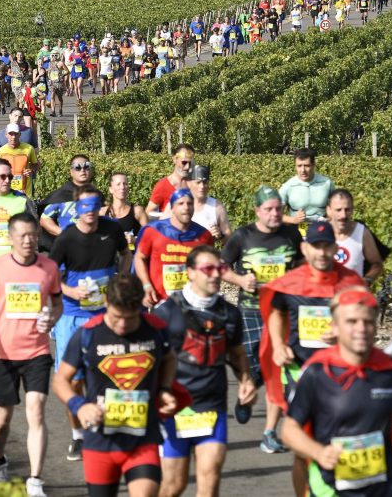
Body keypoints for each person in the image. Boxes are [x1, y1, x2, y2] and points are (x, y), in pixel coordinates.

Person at [260, 220, 368, 496]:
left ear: (335, 248)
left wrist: (344, 334)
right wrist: (277, 344)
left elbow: (364, 319)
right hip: (301, 372)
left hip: (341, 372)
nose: (322, 253)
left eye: (327, 246)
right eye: (316, 247)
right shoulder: (290, 283)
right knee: (303, 445)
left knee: (341, 439)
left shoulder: (350, 282)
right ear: (305, 249)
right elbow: (276, 313)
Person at [52, 273, 180, 497]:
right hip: (100, 441)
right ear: (106, 303)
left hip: (143, 437)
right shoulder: (88, 334)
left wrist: (165, 388)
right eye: (116, 317)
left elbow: (169, 358)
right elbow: (61, 379)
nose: (122, 325)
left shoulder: (157, 329)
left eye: (129, 319)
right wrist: (79, 406)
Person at [281, 288, 392, 497]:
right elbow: (289, 430)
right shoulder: (318, 372)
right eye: (352, 322)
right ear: (335, 328)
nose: (361, 328)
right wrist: (318, 452)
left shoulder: (391, 370)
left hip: (383, 486)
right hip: (331, 487)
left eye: (368, 322)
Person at [0, 213, 62, 495]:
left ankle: (35, 480)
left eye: (33, 235)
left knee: (36, 412)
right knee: (2, 421)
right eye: (22, 236)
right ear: (10, 238)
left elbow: (57, 304)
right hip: (2, 353)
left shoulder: (49, 267)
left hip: (37, 352)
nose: (28, 241)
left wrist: (51, 320)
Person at [155, 245, 258, 497]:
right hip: (174, 409)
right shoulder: (166, 312)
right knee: (174, 485)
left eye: (220, 268)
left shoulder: (230, 313)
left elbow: (235, 353)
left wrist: (246, 379)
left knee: (210, 479)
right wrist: (158, 394)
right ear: (190, 272)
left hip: (212, 406)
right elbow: (149, 361)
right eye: (208, 269)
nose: (215, 275)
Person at [48, 185, 132, 462]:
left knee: (113, 371)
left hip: (105, 314)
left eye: (95, 207)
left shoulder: (113, 229)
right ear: (77, 209)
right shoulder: (67, 239)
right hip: (72, 315)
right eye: (85, 208)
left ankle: (114, 429)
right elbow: (51, 276)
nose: (90, 213)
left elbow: (126, 254)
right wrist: (70, 292)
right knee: (73, 382)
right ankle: (78, 436)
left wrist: (120, 279)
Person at [220, 185, 304, 454]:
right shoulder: (243, 236)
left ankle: (269, 432)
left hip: (284, 312)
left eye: (279, 208)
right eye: (268, 209)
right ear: (257, 211)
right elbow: (219, 266)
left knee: (276, 370)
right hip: (252, 309)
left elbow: (303, 262)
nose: (275, 214)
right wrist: (240, 279)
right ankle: (247, 393)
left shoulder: (291, 233)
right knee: (252, 367)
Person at [134, 189, 214, 306]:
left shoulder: (204, 236)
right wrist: (146, 285)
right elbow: (139, 257)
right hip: (161, 302)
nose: (186, 207)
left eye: (190, 203)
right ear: (172, 208)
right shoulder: (153, 231)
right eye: (180, 203)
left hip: (192, 303)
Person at [326, 189, 386, 282]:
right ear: (329, 210)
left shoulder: (362, 233)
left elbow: (377, 264)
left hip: (351, 294)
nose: (343, 215)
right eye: (338, 210)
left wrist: (367, 279)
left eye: (347, 210)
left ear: (352, 209)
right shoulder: (318, 232)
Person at [38, 154, 94, 252]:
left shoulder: (96, 195)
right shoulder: (61, 196)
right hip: (67, 252)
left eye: (86, 166)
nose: (82, 170)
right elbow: (44, 220)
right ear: (71, 172)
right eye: (77, 167)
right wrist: (66, 234)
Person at [279, 148, 334, 237]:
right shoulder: (288, 186)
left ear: (313, 165)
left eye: (307, 165)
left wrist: (329, 218)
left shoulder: (327, 183)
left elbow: (336, 209)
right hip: (296, 233)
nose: (302, 170)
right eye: (299, 166)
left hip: (322, 232)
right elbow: (275, 215)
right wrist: (294, 220)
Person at [100, 173, 148, 255]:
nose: (122, 187)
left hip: (131, 261)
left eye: (125, 184)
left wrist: (135, 240)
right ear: (111, 189)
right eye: (118, 184)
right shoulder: (102, 212)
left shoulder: (137, 211)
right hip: (109, 261)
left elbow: (151, 237)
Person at [146, 144, 194, 220]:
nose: (187, 167)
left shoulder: (196, 185)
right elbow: (149, 213)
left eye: (190, 163)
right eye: (184, 163)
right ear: (175, 160)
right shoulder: (163, 185)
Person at [187, 165, 231, 245]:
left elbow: (230, 242)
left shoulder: (217, 206)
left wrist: (221, 235)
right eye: (198, 182)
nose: (202, 186)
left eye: (205, 182)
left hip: (207, 255)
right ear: (189, 183)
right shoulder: (181, 204)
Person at [0, 123, 41, 199]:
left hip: (25, 193)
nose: (13, 137)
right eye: (11, 134)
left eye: (16, 134)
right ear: (6, 135)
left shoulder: (29, 149)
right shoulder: (0, 152)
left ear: (20, 134)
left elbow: (36, 165)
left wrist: (31, 170)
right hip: (7, 193)